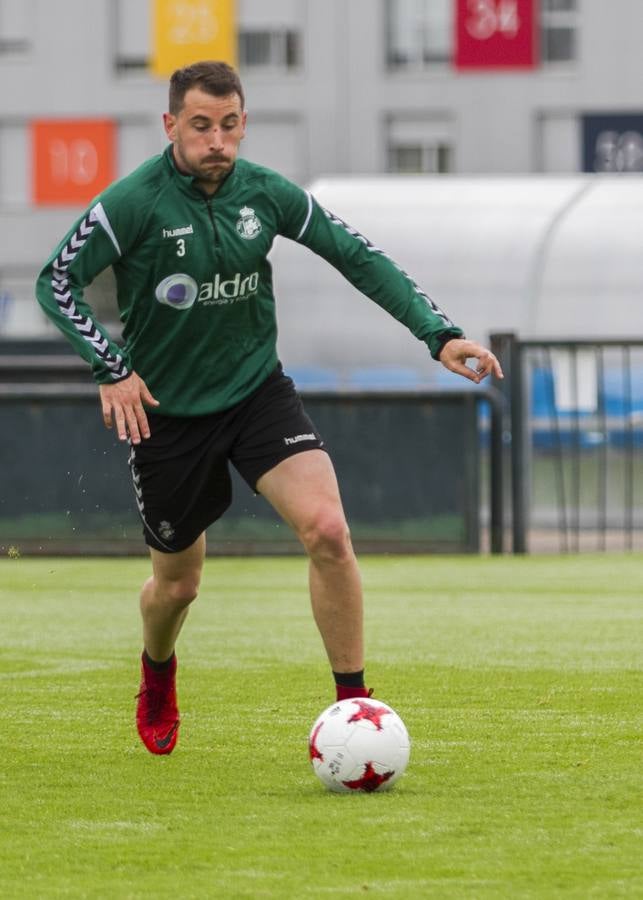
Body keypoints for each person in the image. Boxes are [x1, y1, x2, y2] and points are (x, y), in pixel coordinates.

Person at [36, 60, 503, 756]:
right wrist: (112, 368)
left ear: (243, 125)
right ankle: (157, 671)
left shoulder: (265, 193)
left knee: (327, 531)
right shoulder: (132, 202)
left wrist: (438, 333)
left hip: (257, 394)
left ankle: (354, 708)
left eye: (229, 126)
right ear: (170, 126)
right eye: (200, 126)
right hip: (166, 414)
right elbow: (55, 282)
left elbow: (355, 255)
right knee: (177, 586)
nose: (216, 141)